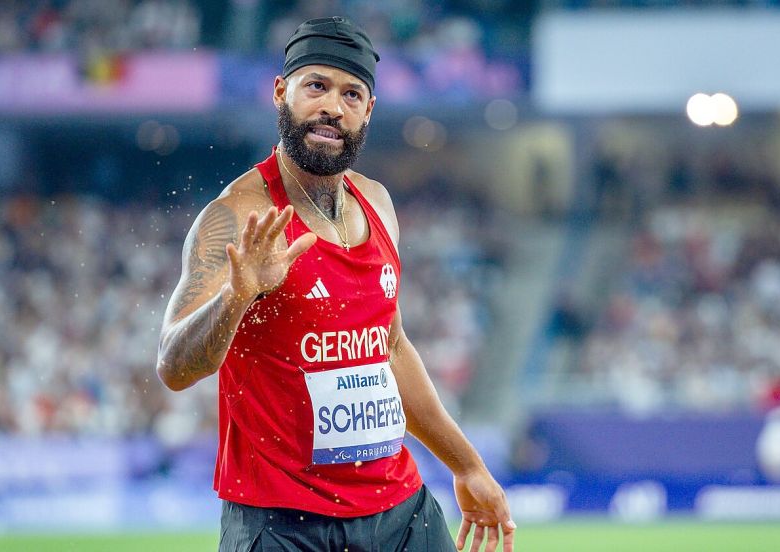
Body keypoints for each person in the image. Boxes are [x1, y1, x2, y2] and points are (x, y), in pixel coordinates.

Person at [156, 17, 515, 552]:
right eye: (316, 86)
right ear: (282, 92)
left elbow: (390, 349)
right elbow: (174, 368)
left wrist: (468, 466)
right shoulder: (236, 216)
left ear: (368, 110)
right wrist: (238, 295)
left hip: (399, 509)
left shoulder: (379, 203)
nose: (333, 107)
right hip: (282, 523)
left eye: (352, 94)